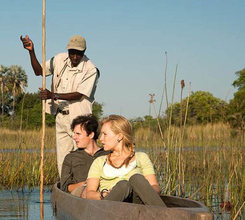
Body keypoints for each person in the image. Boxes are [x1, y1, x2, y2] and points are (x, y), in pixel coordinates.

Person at [20, 34, 100, 176]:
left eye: (79, 53)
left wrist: (53, 95)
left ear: (84, 51)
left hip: (80, 118)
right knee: (62, 159)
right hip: (61, 116)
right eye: (72, 53)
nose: (75, 57)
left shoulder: (91, 69)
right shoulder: (59, 59)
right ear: (68, 50)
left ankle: (85, 187)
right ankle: (65, 187)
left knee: (82, 155)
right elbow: (39, 72)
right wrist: (31, 51)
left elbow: (79, 94)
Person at [85, 115, 166, 207]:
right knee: (123, 185)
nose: (101, 138)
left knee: (136, 178)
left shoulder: (142, 157)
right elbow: (90, 194)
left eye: (105, 134)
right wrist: (105, 194)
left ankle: (166, 216)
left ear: (119, 136)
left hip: (137, 205)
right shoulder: (99, 162)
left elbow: (155, 187)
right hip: (110, 207)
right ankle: (167, 217)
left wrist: (143, 190)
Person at [60, 114, 108, 197]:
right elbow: (64, 187)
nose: (74, 137)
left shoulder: (107, 154)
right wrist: (85, 184)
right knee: (87, 191)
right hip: (80, 193)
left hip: (104, 190)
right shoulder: (71, 158)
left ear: (91, 135)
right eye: (74, 133)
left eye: (78, 134)